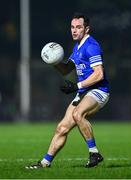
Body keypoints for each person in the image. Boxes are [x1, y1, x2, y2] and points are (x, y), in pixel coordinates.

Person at [26, 12, 109, 169]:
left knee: (78, 114)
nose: (74, 30)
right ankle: (44, 163)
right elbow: (65, 69)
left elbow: (99, 74)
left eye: (78, 27)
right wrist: (53, 60)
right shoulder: (78, 47)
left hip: (99, 90)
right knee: (62, 128)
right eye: (72, 27)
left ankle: (94, 153)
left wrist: (76, 86)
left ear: (87, 29)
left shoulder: (91, 46)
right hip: (83, 91)